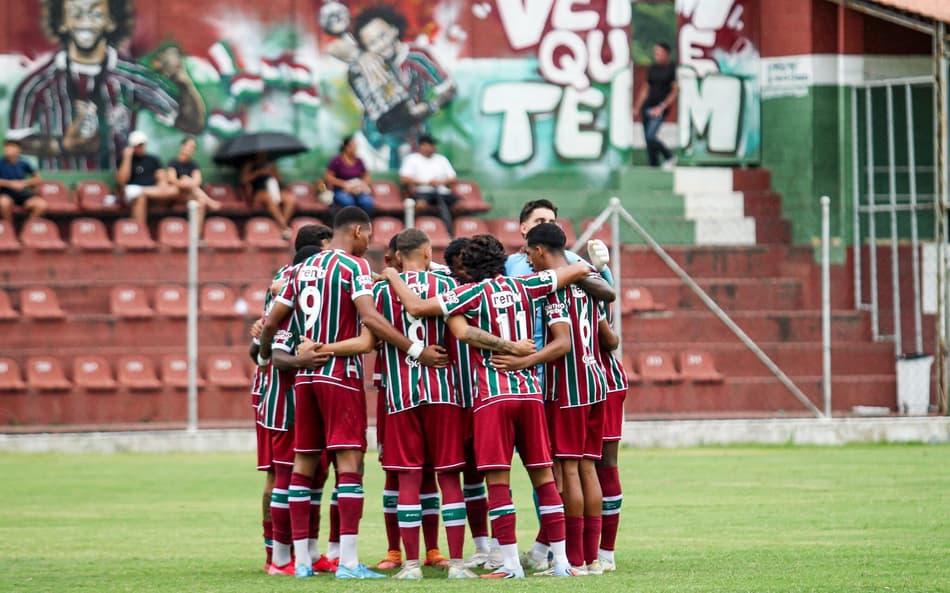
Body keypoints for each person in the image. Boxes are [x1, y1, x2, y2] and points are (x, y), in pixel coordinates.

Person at [380, 234, 593, 578]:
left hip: (492, 397)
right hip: (530, 394)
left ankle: (509, 564)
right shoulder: (528, 285)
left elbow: (418, 309)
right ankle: (563, 564)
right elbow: (579, 269)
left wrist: (392, 275)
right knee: (544, 479)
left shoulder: (469, 293)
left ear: (467, 268)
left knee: (497, 480)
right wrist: (522, 350)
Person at [257, 206, 449, 579]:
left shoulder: (298, 270)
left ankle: (300, 564)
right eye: (369, 236)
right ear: (358, 231)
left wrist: (267, 356)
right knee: (350, 466)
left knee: (303, 465)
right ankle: (347, 561)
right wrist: (415, 349)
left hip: (304, 379)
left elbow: (271, 323)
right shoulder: (353, 267)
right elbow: (370, 324)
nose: (370, 244)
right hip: (338, 377)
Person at [492, 223, 617, 575]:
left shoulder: (553, 291)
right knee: (588, 468)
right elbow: (610, 339)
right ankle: (593, 559)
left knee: (568, 470)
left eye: (528, 252)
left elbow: (562, 343)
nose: (527, 259)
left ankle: (574, 560)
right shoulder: (590, 284)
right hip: (597, 383)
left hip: (569, 387)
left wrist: (523, 361)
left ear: (541, 250)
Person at [8, 0, 204, 170]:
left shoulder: (134, 77)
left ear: (110, 21)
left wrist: (182, 81)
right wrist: (62, 145)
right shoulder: (37, 83)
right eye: (76, 13)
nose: (85, 21)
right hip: (59, 185)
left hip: (116, 185)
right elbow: (16, 141)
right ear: (62, 22)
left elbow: (191, 124)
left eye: (95, 13)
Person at [247, 223, 333, 574]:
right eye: (330, 251)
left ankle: (308, 552)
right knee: (281, 476)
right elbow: (263, 351)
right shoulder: (289, 283)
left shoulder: (311, 282)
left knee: (316, 474)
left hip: (313, 394)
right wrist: (283, 354)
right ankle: (276, 555)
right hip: (282, 398)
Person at [115, 131, 178, 226]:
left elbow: (161, 175)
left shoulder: (152, 159)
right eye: (137, 145)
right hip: (133, 190)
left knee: (174, 190)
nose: (140, 147)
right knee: (140, 197)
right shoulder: (124, 160)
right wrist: (127, 157)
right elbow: (122, 180)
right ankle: (140, 231)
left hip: (152, 191)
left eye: (142, 144)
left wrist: (162, 183)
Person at [399, 135, 459, 234]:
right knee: (420, 206)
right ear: (422, 146)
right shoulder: (412, 159)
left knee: (460, 206)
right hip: (422, 192)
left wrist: (440, 183)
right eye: (429, 144)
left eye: (433, 145)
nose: (432, 147)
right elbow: (404, 179)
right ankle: (415, 230)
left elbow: (453, 178)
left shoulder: (441, 159)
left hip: (441, 191)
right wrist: (426, 182)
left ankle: (452, 231)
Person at [634, 42, 677, 170]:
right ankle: (653, 166)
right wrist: (637, 106)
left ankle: (669, 156)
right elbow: (645, 88)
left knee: (651, 136)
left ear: (666, 54)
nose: (656, 55)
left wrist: (662, 106)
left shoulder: (672, 69)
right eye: (655, 53)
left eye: (659, 53)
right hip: (647, 106)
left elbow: (674, 92)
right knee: (648, 141)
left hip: (660, 108)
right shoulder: (652, 68)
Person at [167, 137, 222, 231]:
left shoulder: (194, 165)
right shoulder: (173, 162)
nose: (191, 149)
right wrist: (184, 182)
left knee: (201, 202)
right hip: (177, 194)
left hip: (190, 194)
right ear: (182, 146)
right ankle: (210, 202)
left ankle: (195, 235)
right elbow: (172, 180)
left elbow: (197, 181)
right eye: (189, 146)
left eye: (193, 147)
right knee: (187, 182)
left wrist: (188, 181)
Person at [242, 154, 295, 237]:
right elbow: (244, 180)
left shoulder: (272, 164)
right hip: (259, 191)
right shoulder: (250, 164)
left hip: (275, 190)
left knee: (290, 199)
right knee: (269, 198)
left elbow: (280, 180)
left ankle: (281, 226)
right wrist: (258, 173)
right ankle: (284, 227)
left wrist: (272, 172)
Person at [0, 139, 47, 226]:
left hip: (22, 195)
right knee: (3, 203)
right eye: (6, 147)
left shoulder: (24, 163)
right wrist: (11, 184)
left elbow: (37, 179)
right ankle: (10, 230)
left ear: (18, 149)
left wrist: (24, 183)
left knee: (41, 205)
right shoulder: (1, 162)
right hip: (5, 194)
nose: (8, 149)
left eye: (11, 147)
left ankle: (26, 230)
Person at [325, 136, 374, 215]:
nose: (356, 148)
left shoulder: (359, 161)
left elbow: (367, 176)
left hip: (358, 189)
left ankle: (365, 223)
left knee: (367, 202)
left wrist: (362, 184)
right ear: (346, 147)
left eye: (356, 146)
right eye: (353, 145)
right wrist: (344, 184)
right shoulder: (336, 160)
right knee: (348, 202)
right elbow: (329, 177)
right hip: (341, 190)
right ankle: (350, 224)